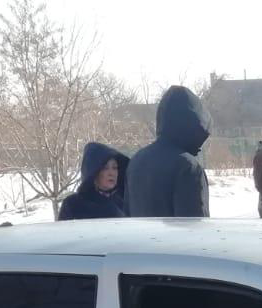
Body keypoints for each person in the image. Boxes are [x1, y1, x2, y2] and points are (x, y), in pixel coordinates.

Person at [127, 85, 212, 218]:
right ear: (193, 125)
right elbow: (195, 227)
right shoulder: (187, 167)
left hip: (140, 238)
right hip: (176, 239)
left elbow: (127, 216)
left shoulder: (136, 161)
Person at [57, 142, 128, 220]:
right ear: (94, 171)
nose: (111, 173)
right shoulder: (74, 205)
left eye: (114, 167)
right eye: (105, 168)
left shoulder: (125, 202)